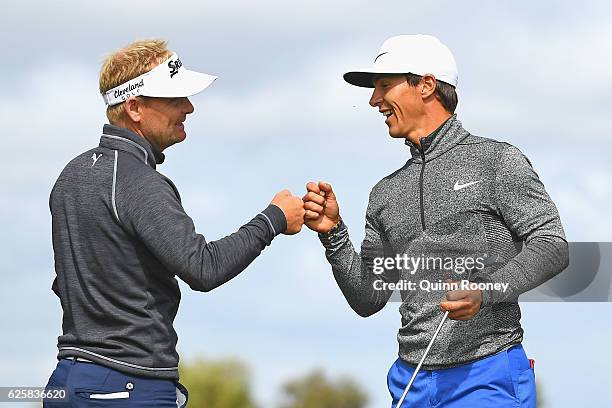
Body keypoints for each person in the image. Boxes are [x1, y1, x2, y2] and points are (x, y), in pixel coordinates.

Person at [303, 34, 569, 407]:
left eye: (384, 86)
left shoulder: (497, 161)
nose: (373, 100)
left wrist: (485, 291)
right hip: (409, 381)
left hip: (487, 376)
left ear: (426, 85)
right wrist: (333, 234)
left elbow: (551, 244)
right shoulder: (385, 193)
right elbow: (368, 297)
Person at [44, 39, 305, 407]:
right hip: (127, 384)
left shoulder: (71, 175)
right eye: (174, 98)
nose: (189, 107)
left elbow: (69, 283)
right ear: (134, 107)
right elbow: (203, 268)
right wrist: (274, 219)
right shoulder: (140, 181)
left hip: (67, 381)